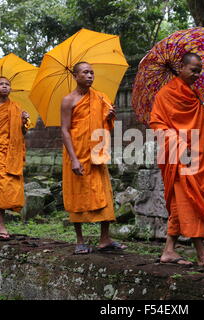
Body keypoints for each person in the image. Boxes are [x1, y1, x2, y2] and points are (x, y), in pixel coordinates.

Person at [149, 53, 204, 267]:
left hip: (197, 156)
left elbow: (197, 124)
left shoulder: (195, 94)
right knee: (189, 202)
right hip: (178, 156)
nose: (197, 74)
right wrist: (178, 143)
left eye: (199, 70)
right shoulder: (165, 94)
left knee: (179, 205)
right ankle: (202, 253)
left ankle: (169, 251)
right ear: (181, 68)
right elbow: (156, 124)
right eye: (193, 69)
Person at [61, 61, 127, 254]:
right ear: (75, 76)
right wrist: (73, 158)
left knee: (103, 193)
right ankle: (80, 240)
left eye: (92, 72)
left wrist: (109, 117)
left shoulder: (100, 98)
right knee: (77, 195)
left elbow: (103, 127)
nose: (90, 76)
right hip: (76, 152)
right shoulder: (68, 100)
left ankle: (105, 239)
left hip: (96, 153)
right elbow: (64, 131)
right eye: (85, 72)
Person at [0, 76, 30, 240]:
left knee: (8, 190)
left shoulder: (16, 107)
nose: (4, 87)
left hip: (13, 154)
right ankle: (2, 227)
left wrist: (23, 123)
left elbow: (22, 134)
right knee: (1, 188)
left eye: (7, 84)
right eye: (1, 84)